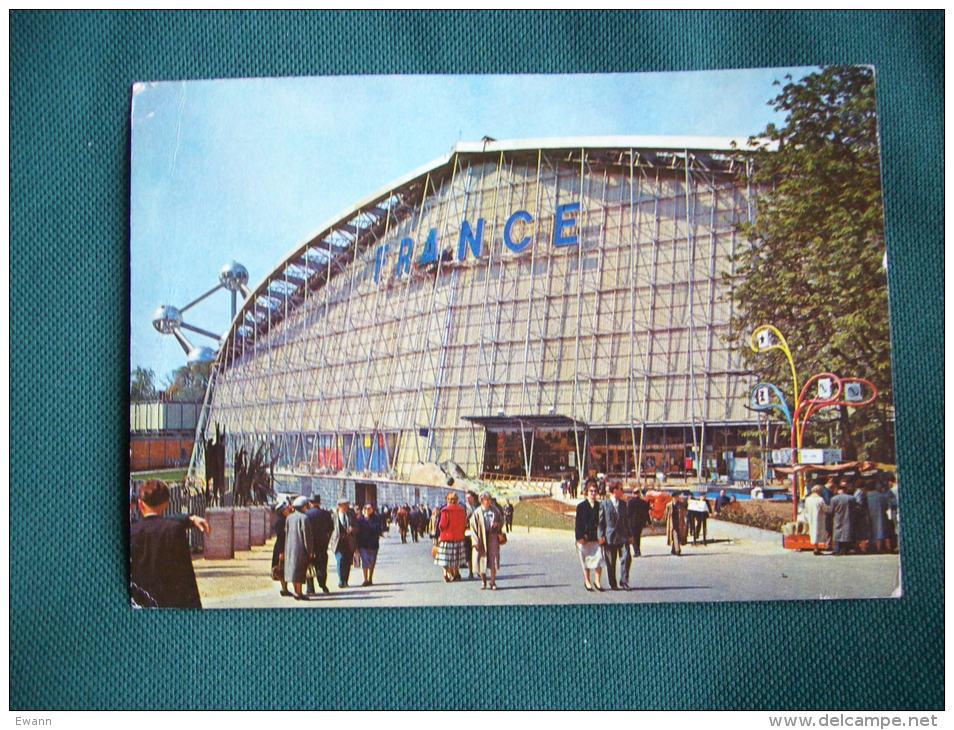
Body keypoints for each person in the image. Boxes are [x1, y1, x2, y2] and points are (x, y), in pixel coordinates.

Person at [129, 480, 209, 608]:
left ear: (140, 504)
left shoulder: (132, 531)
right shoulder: (174, 530)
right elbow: (186, 576)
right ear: (166, 504)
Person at [469, 491, 504, 590]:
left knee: (493, 561)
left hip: (492, 538)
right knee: (481, 561)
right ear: (481, 501)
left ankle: (493, 582)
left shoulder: (495, 511)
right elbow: (473, 528)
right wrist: (475, 541)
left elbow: (501, 520)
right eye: (486, 500)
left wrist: (498, 524)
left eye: (489, 499)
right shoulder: (477, 513)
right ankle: (483, 581)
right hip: (481, 539)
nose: (488, 501)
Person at [599, 482, 631, 590]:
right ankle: (613, 583)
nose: (622, 491)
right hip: (610, 537)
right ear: (614, 490)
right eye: (620, 489)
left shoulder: (623, 504)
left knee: (626, 557)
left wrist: (630, 535)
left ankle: (624, 581)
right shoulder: (604, 504)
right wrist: (601, 536)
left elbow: (627, 521)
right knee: (611, 561)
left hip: (623, 536)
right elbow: (601, 522)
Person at [575, 480, 604, 591]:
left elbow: (602, 523)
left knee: (599, 560)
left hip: (596, 538)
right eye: (591, 491)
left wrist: (602, 536)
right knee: (586, 561)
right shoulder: (581, 506)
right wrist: (579, 537)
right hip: (585, 539)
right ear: (586, 492)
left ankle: (597, 581)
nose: (593, 493)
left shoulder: (600, 506)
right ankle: (587, 581)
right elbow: (578, 523)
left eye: (595, 491)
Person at [284, 496, 313, 600]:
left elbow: (286, 533)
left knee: (292, 570)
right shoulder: (304, 518)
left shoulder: (289, 518)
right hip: (300, 549)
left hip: (290, 548)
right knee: (300, 571)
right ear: (303, 506)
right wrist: (309, 550)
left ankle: (296, 591)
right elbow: (307, 536)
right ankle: (299, 592)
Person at [435, 492, 468, 582]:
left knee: (445, 557)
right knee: (456, 557)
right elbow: (464, 524)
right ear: (457, 500)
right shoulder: (462, 510)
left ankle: (446, 573)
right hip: (458, 537)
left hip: (446, 537)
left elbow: (442, 525)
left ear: (448, 500)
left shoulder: (445, 511)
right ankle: (456, 573)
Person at [305, 495, 333, 595]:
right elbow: (331, 529)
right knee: (322, 567)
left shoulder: (306, 515)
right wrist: (327, 540)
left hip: (310, 545)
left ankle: (310, 588)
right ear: (319, 503)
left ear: (310, 503)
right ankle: (323, 585)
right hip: (322, 545)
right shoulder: (326, 514)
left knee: (310, 567)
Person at [331, 497, 357, 588]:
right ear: (339, 506)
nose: (346, 507)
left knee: (347, 562)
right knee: (340, 560)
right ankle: (341, 580)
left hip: (349, 542)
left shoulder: (351, 515)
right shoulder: (333, 516)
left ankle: (345, 580)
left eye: (347, 505)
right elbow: (330, 529)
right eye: (344, 505)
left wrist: (352, 529)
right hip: (338, 542)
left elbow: (356, 526)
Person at [356, 503, 384, 586]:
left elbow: (378, 529)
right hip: (363, 544)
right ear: (363, 509)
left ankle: (370, 578)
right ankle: (365, 579)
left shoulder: (376, 519)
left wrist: (368, 521)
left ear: (372, 509)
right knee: (365, 561)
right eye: (366, 508)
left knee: (372, 562)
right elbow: (357, 532)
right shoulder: (360, 520)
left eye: (369, 509)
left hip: (373, 544)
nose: (367, 510)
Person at [271, 501, 292, 597]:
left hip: (284, 547)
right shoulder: (280, 522)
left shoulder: (286, 520)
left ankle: (285, 588)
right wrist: (281, 552)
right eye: (286, 509)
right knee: (281, 569)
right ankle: (284, 589)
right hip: (281, 547)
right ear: (282, 511)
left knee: (284, 569)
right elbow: (281, 538)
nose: (288, 510)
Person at [803, 485, 830, 555]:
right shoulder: (820, 499)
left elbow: (805, 509)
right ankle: (816, 548)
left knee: (812, 531)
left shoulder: (808, 499)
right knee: (818, 531)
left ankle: (815, 547)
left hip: (810, 517)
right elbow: (824, 508)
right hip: (819, 517)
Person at [866, 482, 891, 554]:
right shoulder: (882, 496)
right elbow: (887, 505)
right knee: (881, 531)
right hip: (881, 516)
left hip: (869, 516)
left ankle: (873, 548)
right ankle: (882, 548)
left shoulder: (866, 495)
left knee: (872, 532)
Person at [830, 483, 855, 555]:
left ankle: (837, 550)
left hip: (838, 518)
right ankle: (845, 549)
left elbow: (831, 510)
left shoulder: (834, 499)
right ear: (845, 490)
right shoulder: (852, 498)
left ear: (838, 490)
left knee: (838, 534)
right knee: (846, 534)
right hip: (848, 518)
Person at [626, 489, 651, 557]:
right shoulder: (643, 502)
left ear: (633, 494)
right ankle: (638, 550)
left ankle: (636, 551)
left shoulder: (630, 502)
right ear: (639, 494)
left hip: (632, 523)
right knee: (638, 537)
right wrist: (649, 523)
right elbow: (646, 513)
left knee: (634, 537)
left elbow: (628, 513)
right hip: (640, 523)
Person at [463, 491, 479, 580]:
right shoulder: (464, 507)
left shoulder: (478, 507)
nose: (467, 499)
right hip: (467, 532)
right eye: (466, 498)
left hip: (476, 532)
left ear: (473, 498)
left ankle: (478, 570)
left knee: (477, 551)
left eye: (469, 497)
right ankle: (470, 572)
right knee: (468, 552)